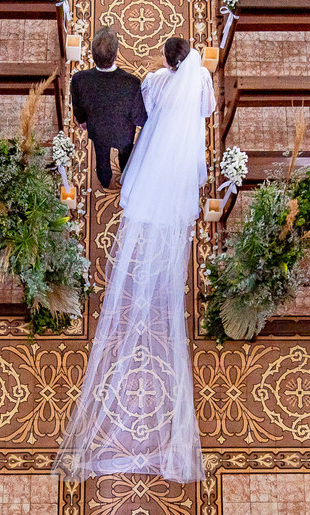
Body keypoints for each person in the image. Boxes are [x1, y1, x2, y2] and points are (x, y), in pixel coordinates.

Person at [54, 37, 214, 484]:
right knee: (128, 156)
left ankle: (110, 173)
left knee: (116, 167)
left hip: (125, 138)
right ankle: (120, 166)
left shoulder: (151, 80)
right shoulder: (197, 79)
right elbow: (201, 111)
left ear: (167, 62)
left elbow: (132, 109)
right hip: (174, 151)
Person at [70, 27, 148, 190]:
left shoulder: (79, 79)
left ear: (92, 55)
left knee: (101, 156)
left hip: (98, 130)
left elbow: (78, 106)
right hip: (124, 133)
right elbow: (138, 116)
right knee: (126, 155)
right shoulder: (131, 82)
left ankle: (105, 180)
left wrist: (83, 120)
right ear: (116, 55)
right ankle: (126, 177)